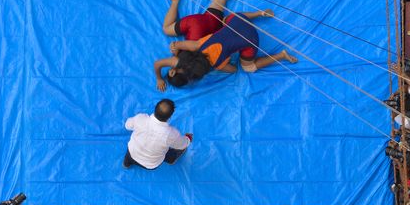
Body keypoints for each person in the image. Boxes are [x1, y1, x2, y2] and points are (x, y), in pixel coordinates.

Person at [154, 13, 297, 88]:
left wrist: (226, 60)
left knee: (248, 68)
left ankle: (281, 55)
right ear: (174, 70)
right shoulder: (198, 44)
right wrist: (175, 51)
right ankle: (259, 14)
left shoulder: (217, 64)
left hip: (251, 38)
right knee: (225, 19)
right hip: (238, 19)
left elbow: (234, 69)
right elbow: (175, 46)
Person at [123, 99, 192, 168]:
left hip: (132, 153)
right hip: (150, 164)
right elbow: (183, 145)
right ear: (170, 117)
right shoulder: (172, 134)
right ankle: (171, 159)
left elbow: (127, 125)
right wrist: (188, 138)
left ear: (155, 109)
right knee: (176, 148)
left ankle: (126, 164)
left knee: (128, 159)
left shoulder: (140, 119)